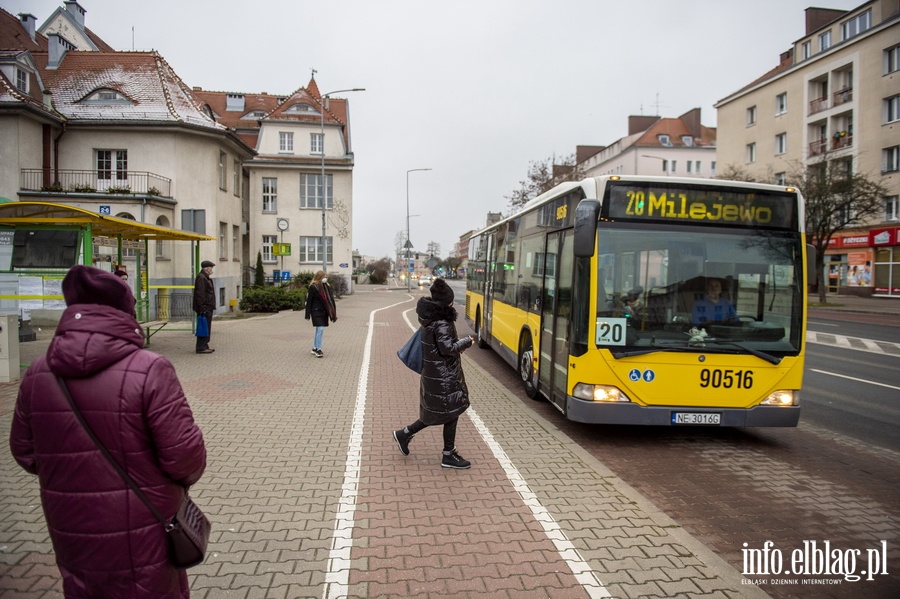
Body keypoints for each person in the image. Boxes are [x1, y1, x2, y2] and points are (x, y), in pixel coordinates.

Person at [9, 265, 206, 599]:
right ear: (125, 311)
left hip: (69, 521)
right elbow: (186, 458)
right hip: (144, 521)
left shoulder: (39, 372)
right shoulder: (149, 368)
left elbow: (24, 452)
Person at [393, 278, 475, 469]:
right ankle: (448, 455)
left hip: (435, 373)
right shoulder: (442, 322)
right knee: (450, 412)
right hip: (443, 375)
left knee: (438, 412)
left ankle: (404, 434)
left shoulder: (430, 318)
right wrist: (466, 342)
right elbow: (447, 348)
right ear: (447, 302)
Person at [304, 270, 337, 358]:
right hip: (316, 311)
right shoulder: (313, 287)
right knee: (320, 329)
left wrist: (333, 313)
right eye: (324, 277)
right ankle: (318, 349)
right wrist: (307, 315)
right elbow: (309, 301)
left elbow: (331, 300)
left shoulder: (326, 286)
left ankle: (314, 348)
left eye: (326, 278)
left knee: (318, 330)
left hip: (324, 312)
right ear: (319, 278)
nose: (325, 279)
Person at [193, 260, 216, 354]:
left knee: (206, 327)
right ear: (207, 268)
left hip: (207, 307)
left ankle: (205, 345)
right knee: (203, 326)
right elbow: (201, 294)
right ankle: (201, 347)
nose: (212, 269)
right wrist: (202, 308)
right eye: (211, 267)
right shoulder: (202, 278)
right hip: (204, 308)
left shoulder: (205, 277)